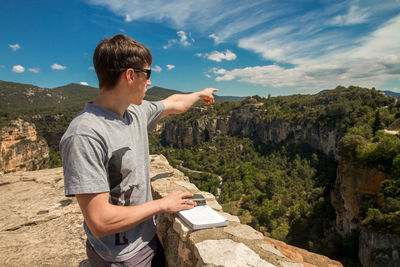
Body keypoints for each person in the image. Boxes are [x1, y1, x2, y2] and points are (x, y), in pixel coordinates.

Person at [59, 34, 218, 266]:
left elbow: (173, 103)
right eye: (148, 74)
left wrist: (199, 94)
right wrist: (162, 205)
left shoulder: (135, 112)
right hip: (121, 257)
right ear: (130, 75)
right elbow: (100, 221)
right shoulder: (85, 134)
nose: (150, 82)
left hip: (147, 239)